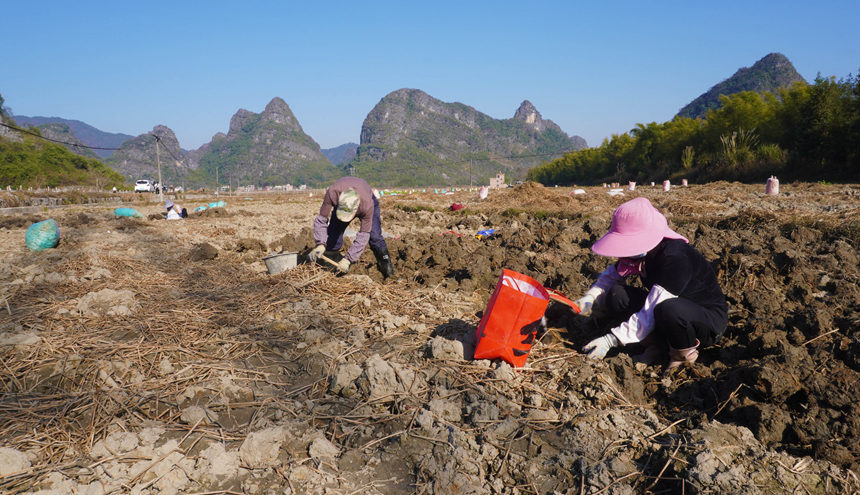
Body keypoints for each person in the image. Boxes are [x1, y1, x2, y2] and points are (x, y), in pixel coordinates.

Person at [576, 197, 727, 369]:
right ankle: (656, 345)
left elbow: (655, 305)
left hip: (703, 320)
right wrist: (590, 296)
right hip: (665, 310)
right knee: (617, 294)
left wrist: (612, 339)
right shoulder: (641, 254)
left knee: (671, 309)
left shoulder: (675, 257)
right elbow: (613, 275)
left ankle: (682, 355)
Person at [308, 177, 394, 278]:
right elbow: (321, 219)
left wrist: (348, 259)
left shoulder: (367, 206)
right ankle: (329, 269)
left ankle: (388, 271)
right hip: (343, 201)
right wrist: (321, 244)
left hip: (367, 199)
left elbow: (364, 234)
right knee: (333, 236)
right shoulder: (332, 193)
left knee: (375, 236)